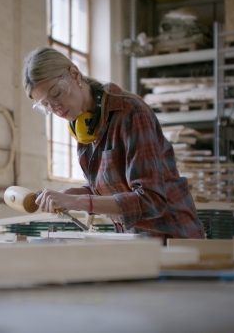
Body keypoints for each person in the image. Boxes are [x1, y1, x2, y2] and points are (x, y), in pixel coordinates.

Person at [22, 46, 205, 240]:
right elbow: (107, 186)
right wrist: (70, 194)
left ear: (74, 74)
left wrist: (76, 201)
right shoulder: (84, 125)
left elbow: (151, 200)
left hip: (173, 240)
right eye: (46, 105)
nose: (55, 108)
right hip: (135, 242)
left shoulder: (131, 113)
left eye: (56, 94)